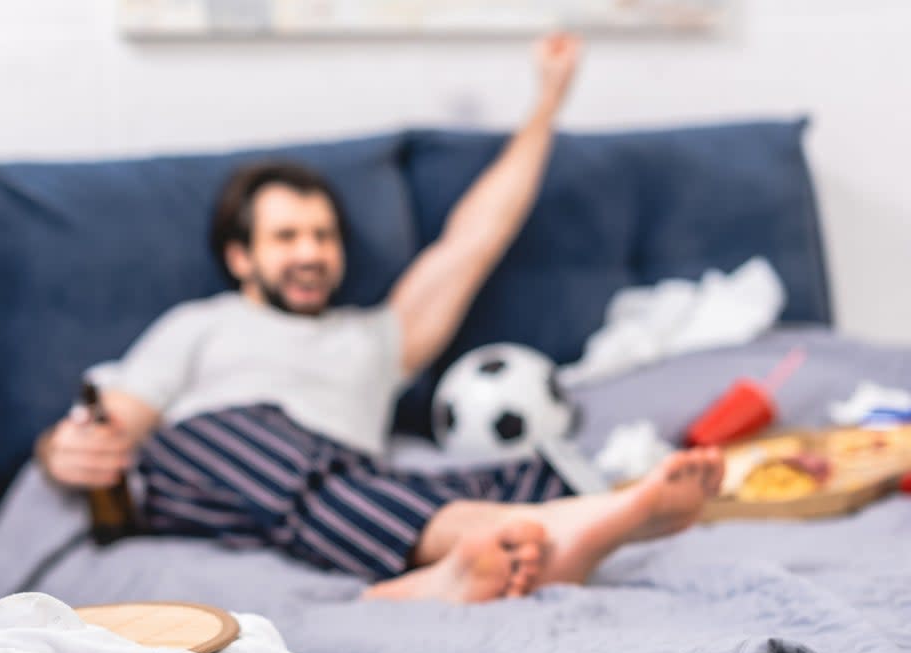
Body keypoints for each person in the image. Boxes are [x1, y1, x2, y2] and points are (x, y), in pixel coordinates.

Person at [36, 34, 724, 603]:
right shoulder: (201, 323)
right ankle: (582, 524)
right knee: (269, 440)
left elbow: (475, 239)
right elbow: (110, 427)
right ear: (240, 258)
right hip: (213, 462)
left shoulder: (375, 338)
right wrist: (61, 449)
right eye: (286, 238)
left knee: (503, 471)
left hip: (342, 489)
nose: (309, 252)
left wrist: (547, 102)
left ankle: (462, 568)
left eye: (323, 235)